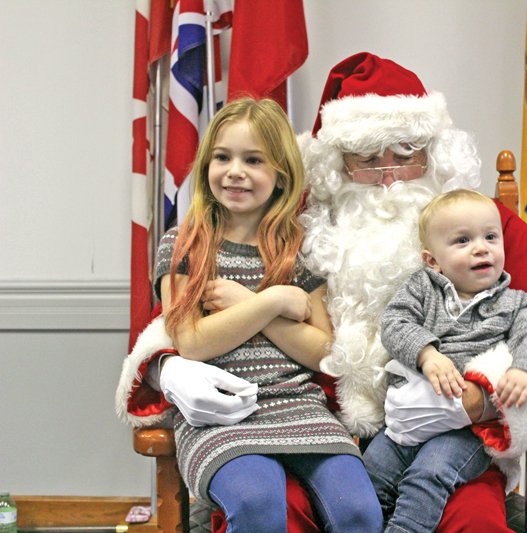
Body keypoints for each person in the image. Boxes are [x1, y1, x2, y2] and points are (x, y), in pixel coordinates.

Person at [117, 53, 527, 533]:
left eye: (407, 154)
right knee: (273, 512)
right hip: (319, 433)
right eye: (367, 159)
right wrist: (167, 366)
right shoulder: (299, 228)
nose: (389, 175)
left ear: (436, 153)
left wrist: (481, 398)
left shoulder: (483, 230)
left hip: (448, 439)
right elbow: (180, 316)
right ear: (336, 166)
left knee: (474, 525)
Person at [150, 97, 381, 533]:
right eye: (223, 157)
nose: (235, 170)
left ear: (281, 176)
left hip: (301, 410)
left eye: (253, 160)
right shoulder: (184, 243)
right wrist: (272, 300)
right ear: (206, 166)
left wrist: (247, 302)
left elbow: (324, 352)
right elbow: (192, 342)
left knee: (358, 513)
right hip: (222, 416)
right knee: (257, 504)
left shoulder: (301, 248)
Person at [363, 189, 527, 532]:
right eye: (463, 240)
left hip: (466, 431)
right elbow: (394, 324)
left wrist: (526, 371)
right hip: (405, 419)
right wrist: (427, 354)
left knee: (428, 476)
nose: (481, 247)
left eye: (490, 237)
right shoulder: (421, 289)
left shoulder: (516, 304)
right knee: (370, 475)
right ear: (432, 261)